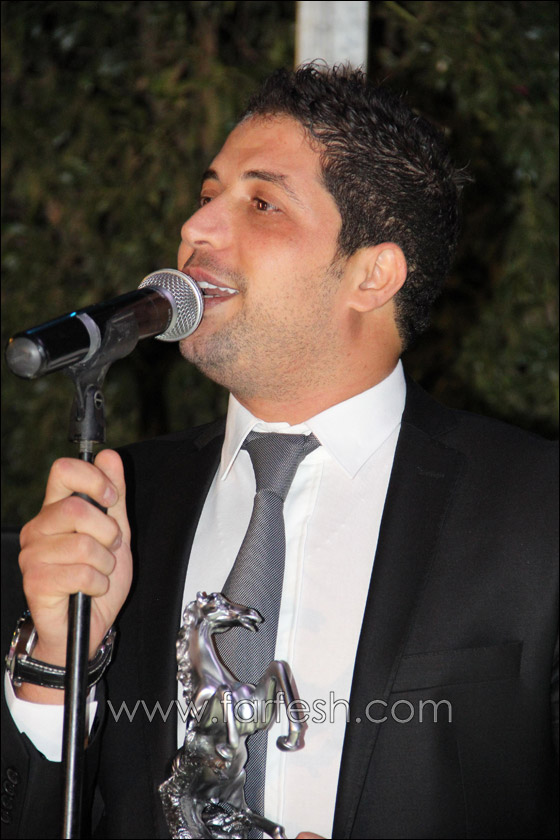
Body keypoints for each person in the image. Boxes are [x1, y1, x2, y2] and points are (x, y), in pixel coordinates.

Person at [1, 63, 558, 839]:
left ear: (373, 275)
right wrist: (56, 661)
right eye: (207, 195)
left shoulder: (536, 509)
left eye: (261, 203)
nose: (197, 229)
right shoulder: (116, 510)